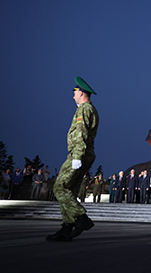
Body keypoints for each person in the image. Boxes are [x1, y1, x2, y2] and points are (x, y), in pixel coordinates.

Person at [46, 77, 99, 242]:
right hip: (85, 153)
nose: (73, 95)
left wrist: (77, 157)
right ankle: (67, 228)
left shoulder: (84, 109)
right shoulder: (89, 109)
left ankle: (82, 219)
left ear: (81, 93)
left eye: (74, 92)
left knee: (60, 188)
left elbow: (80, 134)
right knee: (68, 190)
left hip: (79, 153)